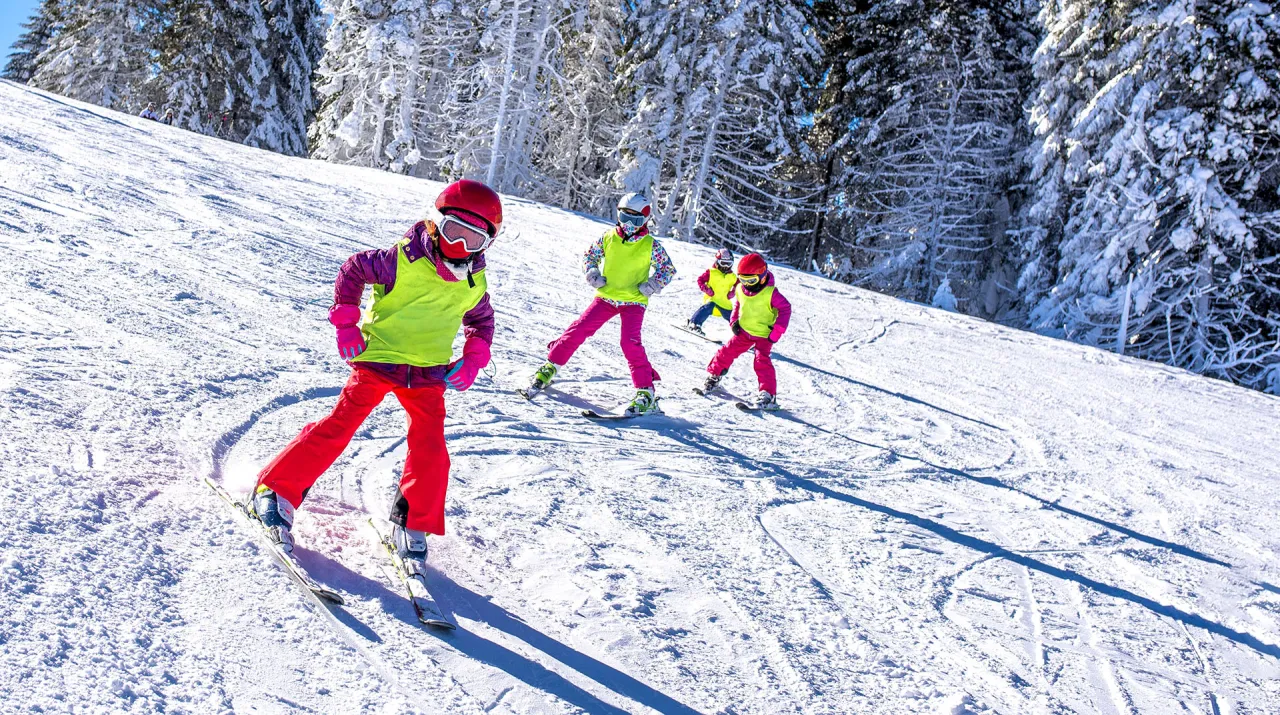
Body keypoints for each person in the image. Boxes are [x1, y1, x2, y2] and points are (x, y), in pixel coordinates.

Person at [249, 179, 502, 569]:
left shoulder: (474, 282)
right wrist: (346, 321)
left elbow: (481, 321)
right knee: (340, 424)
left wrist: (474, 356)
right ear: (436, 223)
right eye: (455, 231)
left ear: (487, 245)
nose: (460, 247)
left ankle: (411, 522)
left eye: (474, 241)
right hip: (378, 358)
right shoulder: (400, 259)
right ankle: (275, 490)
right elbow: (353, 270)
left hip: (428, 373)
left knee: (431, 447)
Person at [527, 193, 676, 415]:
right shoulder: (608, 237)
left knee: (630, 343)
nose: (628, 224)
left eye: (635, 220)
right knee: (578, 330)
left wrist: (653, 284)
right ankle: (551, 366)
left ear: (645, 220)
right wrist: (592, 272)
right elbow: (590, 256)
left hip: (634, 301)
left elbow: (667, 269)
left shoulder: (650, 245)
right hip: (606, 297)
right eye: (625, 217)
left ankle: (646, 392)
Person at [699, 253, 791, 410]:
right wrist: (734, 320)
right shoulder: (741, 289)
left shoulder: (771, 293)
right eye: (743, 280)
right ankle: (714, 376)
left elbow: (785, 309)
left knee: (761, 361)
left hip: (764, 335)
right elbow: (737, 305)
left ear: (762, 276)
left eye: (751, 281)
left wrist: (776, 332)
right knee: (725, 352)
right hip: (744, 331)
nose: (747, 284)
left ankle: (767, 394)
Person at [685, 248, 737, 336]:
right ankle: (694, 324)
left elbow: (738, 285)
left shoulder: (732, 276)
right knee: (706, 309)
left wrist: (733, 293)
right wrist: (707, 290)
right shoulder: (711, 272)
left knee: (733, 317)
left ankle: (744, 336)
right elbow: (700, 280)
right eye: (723, 263)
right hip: (712, 298)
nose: (725, 266)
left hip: (724, 302)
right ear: (717, 262)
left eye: (728, 264)